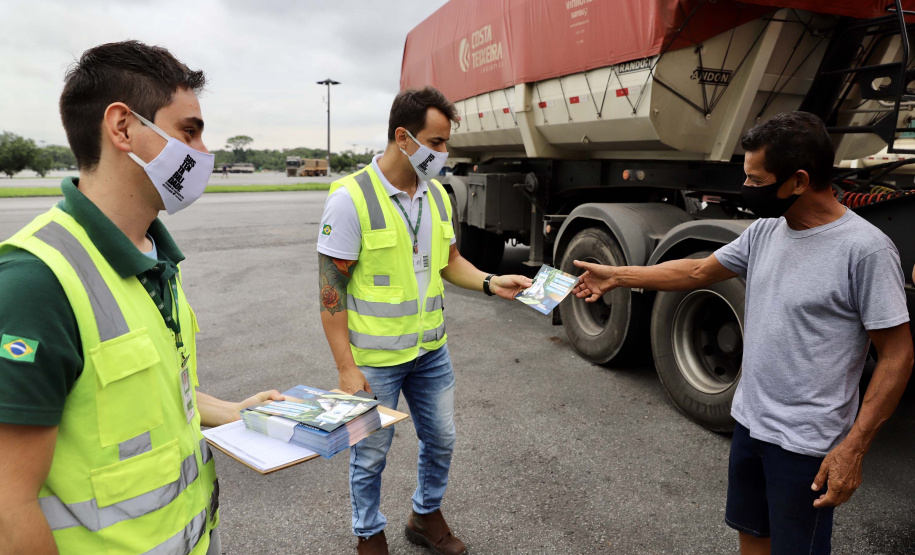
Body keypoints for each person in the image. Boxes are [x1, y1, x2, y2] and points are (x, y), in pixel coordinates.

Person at [572, 111, 913, 554]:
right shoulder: (767, 230)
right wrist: (616, 276)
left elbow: (898, 355)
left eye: (756, 180)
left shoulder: (864, 251)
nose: (746, 189)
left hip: (805, 444)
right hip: (750, 426)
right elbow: (697, 269)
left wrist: (854, 447)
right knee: (751, 539)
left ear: (798, 181)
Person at [0, 41, 283, 555]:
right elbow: (7, 510)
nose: (202, 153)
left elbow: (153, 402)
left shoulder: (155, 256)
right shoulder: (35, 281)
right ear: (123, 127)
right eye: (188, 131)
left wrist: (234, 410)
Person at [317, 86, 532, 555]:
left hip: (430, 352)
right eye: (435, 143)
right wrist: (345, 369)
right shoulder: (350, 199)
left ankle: (425, 515)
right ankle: (368, 534)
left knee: (442, 440)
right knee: (370, 454)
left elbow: (449, 262)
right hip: (374, 359)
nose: (443, 153)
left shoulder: (436, 195)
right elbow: (330, 294)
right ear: (403, 137)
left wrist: (491, 281)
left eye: (445, 143)